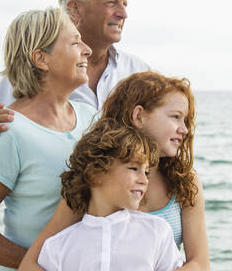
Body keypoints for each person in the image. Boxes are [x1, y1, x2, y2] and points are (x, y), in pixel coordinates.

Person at [19, 72, 210, 271]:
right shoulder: (99, 177)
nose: (185, 129)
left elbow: (200, 264)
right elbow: (31, 264)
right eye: (176, 117)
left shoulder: (185, 182)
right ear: (139, 116)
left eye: (185, 120)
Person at [0, 8, 96, 270]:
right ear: (41, 59)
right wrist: (40, 266)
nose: (87, 50)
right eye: (75, 42)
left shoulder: (91, 118)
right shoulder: (7, 131)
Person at [0, 0, 149, 157]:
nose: (123, 14)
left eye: (124, 4)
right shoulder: (32, 72)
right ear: (75, 9)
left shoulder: (140, 73)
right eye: (111, 3)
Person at [38, 120, 184, 270]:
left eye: (146, 172)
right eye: (134, 168)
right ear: (95, 174)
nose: (144, 180)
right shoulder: (57, 248)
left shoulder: (157, 232)